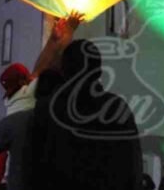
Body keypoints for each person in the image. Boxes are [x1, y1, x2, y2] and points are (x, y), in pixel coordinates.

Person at [0, 13, 83, 190]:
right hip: (30, 178)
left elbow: (39, 68)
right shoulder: (28, 95)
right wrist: (69, 31)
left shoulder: (15, 99)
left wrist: (53, 40)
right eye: (27, 76)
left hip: (14, 179)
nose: (32, 76)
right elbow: (49, 66)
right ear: (23, 81)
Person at [33, 38, 143, 190]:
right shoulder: (117, 108)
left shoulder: (47, 110)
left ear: (64, 70)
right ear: (99, 71)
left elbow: (32, 165)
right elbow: (133, 165)